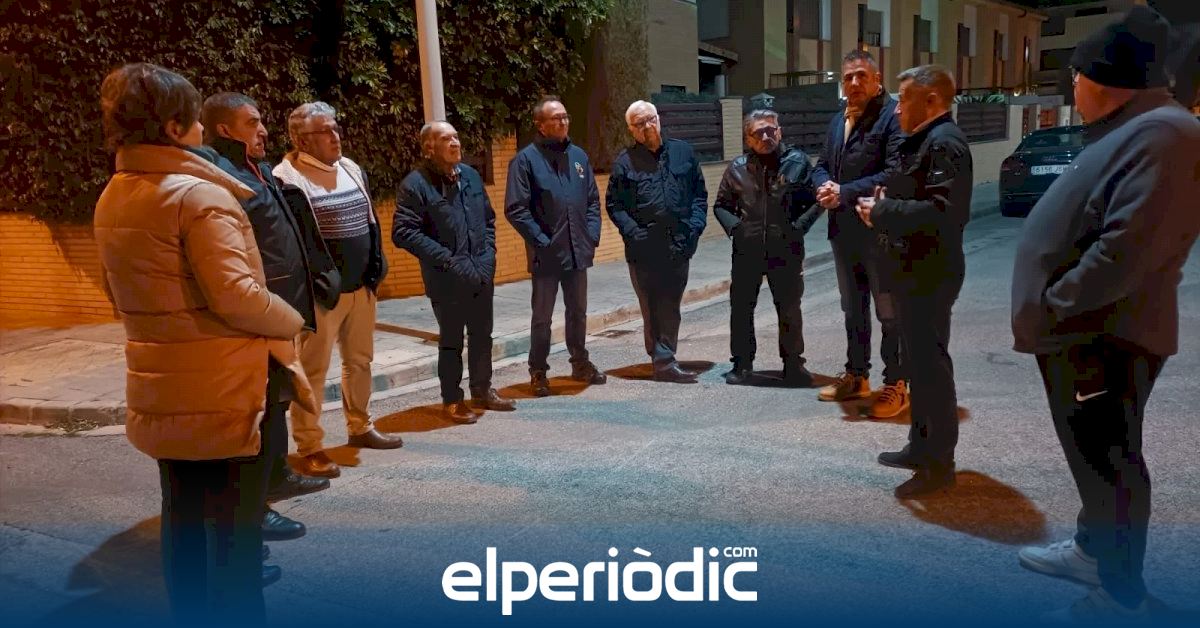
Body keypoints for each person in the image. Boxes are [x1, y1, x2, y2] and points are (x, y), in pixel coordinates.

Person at [93, 63, 316, 625]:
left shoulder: (116, 194)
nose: (200, 129)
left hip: (163, 380)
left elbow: (119, 290)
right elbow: (237, 295)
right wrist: (290, 319)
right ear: (173, 128)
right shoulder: (196, 197)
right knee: (235, 540)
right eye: (193, 119)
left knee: (184, 523)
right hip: (221, 384)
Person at [1010, 5, 1200, 620]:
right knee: (1096, 461)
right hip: (1087, 331)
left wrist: (1055, 307)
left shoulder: (1167, 133)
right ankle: (1093, 553)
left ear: (1103, 77)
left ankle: (1120, 598)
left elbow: (1128, 248)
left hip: (1102, 335)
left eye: (1076, 75)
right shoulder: (1136, 128)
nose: (1073, 86)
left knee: (1112, 467)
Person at [199, 92, 334, 543]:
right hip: (259, 312)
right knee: (257, 411)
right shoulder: (222, 176)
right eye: (252, 122)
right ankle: (254, 509)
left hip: (281, 309)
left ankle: (276, 477)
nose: (262, 131)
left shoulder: (255, 169)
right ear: (224, 129)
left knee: (277, 401)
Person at [856, 65, 972, 498]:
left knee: (931, 370)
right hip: (911, 270)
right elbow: (913, 193)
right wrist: (885, 202)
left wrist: (881, 212)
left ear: (932, 100)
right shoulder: (924, 140)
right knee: (917, 367)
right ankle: (920, 447)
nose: (897, 108)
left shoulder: (945, 143)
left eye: (904, 99)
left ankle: (939, 465)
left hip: (930, 273)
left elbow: (943, 213)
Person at [274, 101, 401, 479]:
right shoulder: (287, 179)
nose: (335, 136)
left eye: (335, 128)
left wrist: (376, 266)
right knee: (312, 371)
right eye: (325, 131)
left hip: (361, 287)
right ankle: (310, 446)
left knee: (360, 362)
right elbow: (292, 243)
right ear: (302, 140)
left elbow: (370, 221)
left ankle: (360, 426)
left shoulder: (350, 168)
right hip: (322, 295)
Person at [393, 121, 517, 422]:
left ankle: (482, 390)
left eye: (456, 137)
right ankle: (452, 399)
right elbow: (403, 232)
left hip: (480, 272)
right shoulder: (416, 185)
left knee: (482, 335)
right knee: (451, 341)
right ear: (429, 148)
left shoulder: (470, 176)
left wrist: (489, 255)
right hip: (446, 278)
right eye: (446, 139)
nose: (455, 143)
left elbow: (487, 219)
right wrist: (447, 261)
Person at [812, 50, 908, 417]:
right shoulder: (839, 120)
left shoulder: (892, 118)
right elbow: (821, 164)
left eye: (861, 76)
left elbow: (894, 173)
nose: (854, 83)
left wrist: (844, 192)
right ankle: (857, 376)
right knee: (853, 309)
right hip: (843, 231)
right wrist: (824, 186)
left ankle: (896, 383)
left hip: (879, 232)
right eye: (848, 76)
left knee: (889, 312)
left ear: (877, 79)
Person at [504, 96, 607, 396]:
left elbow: (592, 200)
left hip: (577, 251)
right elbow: (516, 209)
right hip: (546, 255)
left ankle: (580, 363)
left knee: (578, 312)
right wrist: (542, 242)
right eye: (556, 118)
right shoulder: (525, 161)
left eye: (565, 116)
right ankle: (538, 371)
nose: (563, 122)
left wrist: (591, 235)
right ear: (540, 124)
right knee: (542, 318)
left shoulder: (578, 157)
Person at [712, 109, 821, 386]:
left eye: (770, 130)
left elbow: (815, 201)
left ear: (779, 131)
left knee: (789, 309)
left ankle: (794, 365)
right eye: (758, 132)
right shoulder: (736, 168)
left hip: (786, 250)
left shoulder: (797, 163)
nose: (765, 136)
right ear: (748, 138)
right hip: (747, 252)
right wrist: (737, 230)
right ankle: (742, 364)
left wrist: (798, 228)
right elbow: (721, 205)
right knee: (741, 309)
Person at [605, 100, 708, 383]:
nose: (647, 126)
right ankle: (663, 361)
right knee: (651, 306)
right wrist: (634, 233)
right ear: (631, 129)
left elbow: (699, 195)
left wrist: (695, 228)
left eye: (651, 119)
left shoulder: (682, 152)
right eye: (640, 123)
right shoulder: (624, 162)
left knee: (670, 305)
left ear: (659, 119)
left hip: (679, 243)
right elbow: (615, 205)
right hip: (644, 249)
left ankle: (664, 357)